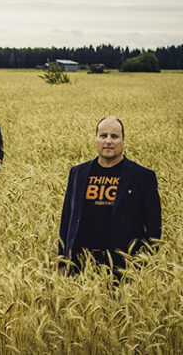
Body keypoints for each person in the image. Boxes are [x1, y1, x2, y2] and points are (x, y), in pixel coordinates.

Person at [57, 117, 161, 276]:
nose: (108, 141)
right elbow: (67, 219)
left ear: (123, 141)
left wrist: (143, 264)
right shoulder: (78, 173)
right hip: (81, 264)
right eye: (103, 136)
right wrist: (63, 260)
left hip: (123, 267)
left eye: (114, 136)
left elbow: (154, 227)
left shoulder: (143, 177)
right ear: (96, 139)